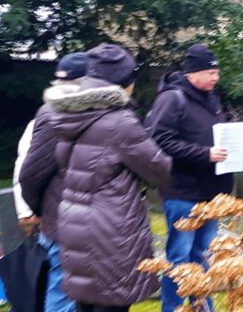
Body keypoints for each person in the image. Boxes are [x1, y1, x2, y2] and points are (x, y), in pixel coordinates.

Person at [44, 43, 171, 312]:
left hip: (73, 220)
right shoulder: (119, 121)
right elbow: (159, 170)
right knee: (111, 304)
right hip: (110, 229)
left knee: (85, 303)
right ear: (126, 84)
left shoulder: (66, 113)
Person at [144, 44, 234, 312]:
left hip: (212, 194)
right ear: (192, 73)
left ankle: (201, 306)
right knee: (179, 256)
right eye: (209, 72)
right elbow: (159, 140)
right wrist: (204, 154)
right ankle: (172, 308)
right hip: (182, 193)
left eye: (217, 72)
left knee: (203, 254)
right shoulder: (172, 99)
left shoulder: (213, 99)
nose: (215, 77)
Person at [17, 51, 88, 312]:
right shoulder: (49, 119)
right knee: (61, 293)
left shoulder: (50, 116)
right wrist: (32, 210)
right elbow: (27, 173)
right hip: (61, 221)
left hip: (64, 219)